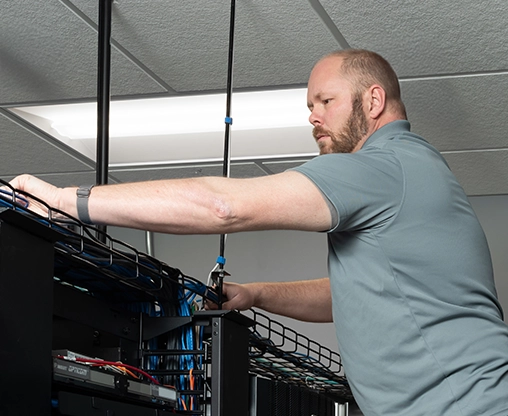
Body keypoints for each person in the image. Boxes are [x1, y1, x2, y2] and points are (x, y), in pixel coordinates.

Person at [9, 49, 508, 415]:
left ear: (373, 99)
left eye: (325, 101)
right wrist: (256, 294)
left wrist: (67, 201)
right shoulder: (414, 173)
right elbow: (355, 296)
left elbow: (223, 207)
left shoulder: (386, 165)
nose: (313, 116)